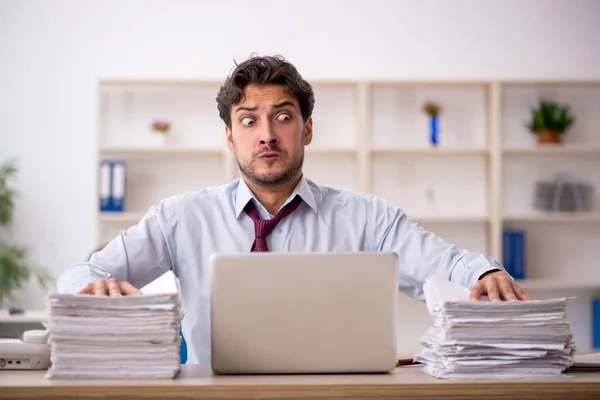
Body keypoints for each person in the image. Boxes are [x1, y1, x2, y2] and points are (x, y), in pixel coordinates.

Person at [57, 55, 531, 364]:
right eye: (249, 121)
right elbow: (81, 272)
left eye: (283, 117)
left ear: (306, 130)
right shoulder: (180, 217)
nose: (267, 134)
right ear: (230, 137)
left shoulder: (368, 219)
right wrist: (92, 285)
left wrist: (483, 271)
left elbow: (447, 264)